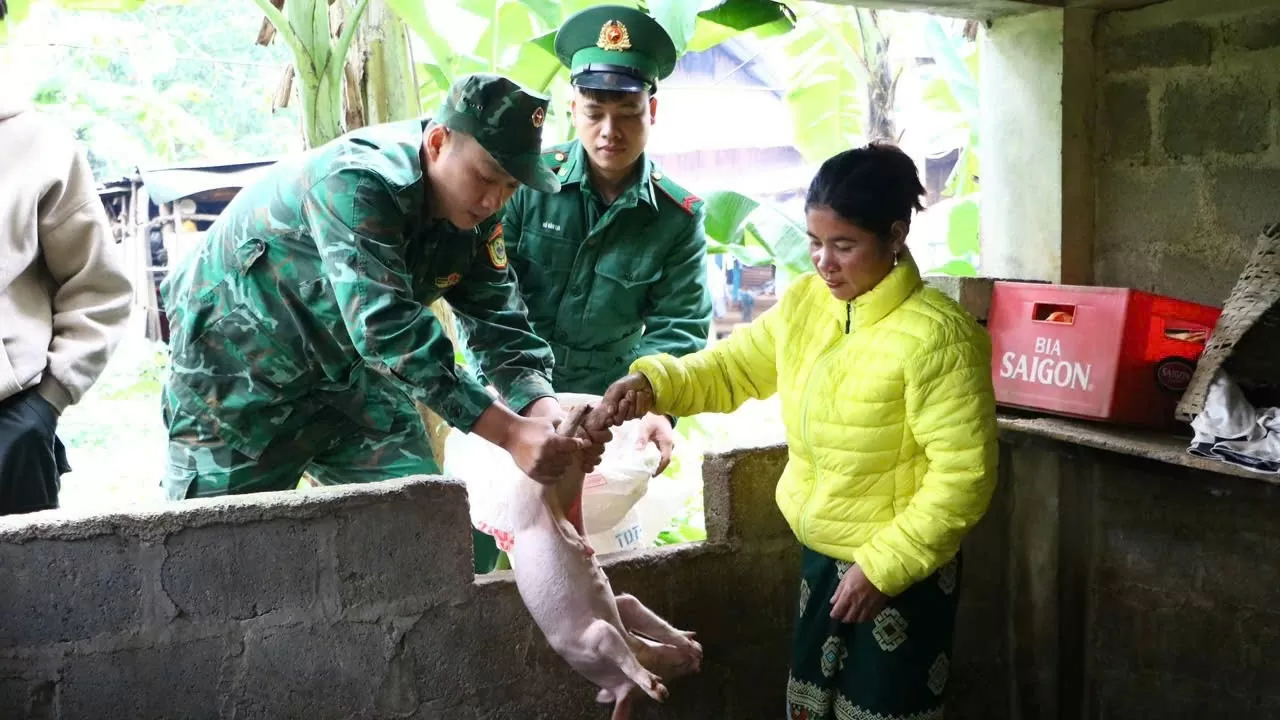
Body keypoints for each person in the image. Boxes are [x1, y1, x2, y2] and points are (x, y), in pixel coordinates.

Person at [599, 143, 999, 719]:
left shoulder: (939, 338)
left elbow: (964, 476)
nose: (823, 262)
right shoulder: (808, 305)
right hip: (823, 559)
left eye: (844, 245)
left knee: (883, 709)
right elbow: (734, 367)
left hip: (901, 574)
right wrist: (653, 383)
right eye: (815, 242)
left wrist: (885, 567)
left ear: (894, 236)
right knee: (813, 709)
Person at [159, 74, 606, 520]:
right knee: (212, 559)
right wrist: (510, 433)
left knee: (420, 526)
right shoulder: (358, 183)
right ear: (437, 142)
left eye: (510, 187)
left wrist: (547, 414)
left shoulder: (475, 215)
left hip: (346, 384)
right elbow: (385, 329)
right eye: (486, 177)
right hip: (234, 389)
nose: (493, 200)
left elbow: (499, 322)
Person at [0, 93, 133, 515]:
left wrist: (45, 404)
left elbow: (97, 286)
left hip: (8, 433)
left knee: (22, 581)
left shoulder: (37, 144)